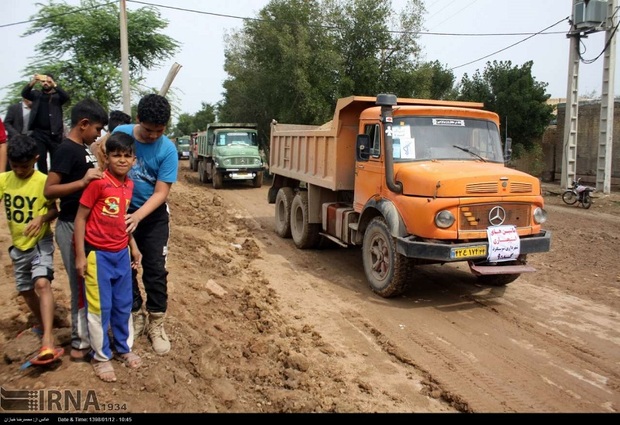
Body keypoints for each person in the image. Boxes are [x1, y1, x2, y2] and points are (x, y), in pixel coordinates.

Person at [74, 132, 142, 383]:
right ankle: (101, 357)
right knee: (100, 308)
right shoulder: (98, 183)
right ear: (107, 157)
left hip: (121, 255)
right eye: (116, 155)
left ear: (134, 159)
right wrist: (80, 256)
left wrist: (133, 247)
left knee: (123, 305)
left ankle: (124, 348)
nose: (122, 160)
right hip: (98, 255)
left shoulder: (129, 186)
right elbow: (80, 218)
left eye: (127, 156)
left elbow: (122, 220)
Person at [113, 93, 178, 355]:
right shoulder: (121, 133)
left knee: (155, 268)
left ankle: (156, 323)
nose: (153, 136)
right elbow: (106, 159)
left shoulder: (167, 150)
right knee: (124, 268)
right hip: (119, 214)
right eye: (149, 130)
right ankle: (135, 315)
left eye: (159, 131)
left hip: (151, 218)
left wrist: (138, 216)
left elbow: (161, 192)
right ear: (138, 119)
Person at [43, 98, 107, 362]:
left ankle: (93, 335)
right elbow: (50, 189)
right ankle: (80, 342)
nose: (99, 134)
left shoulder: (84, 147)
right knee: (79, 284)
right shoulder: (66, 150)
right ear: (83, 124)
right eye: (97, 129)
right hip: (71, 226)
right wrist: (82, 182)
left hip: (89, 225)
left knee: (91, 282)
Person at [0, 134, 63, 363]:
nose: (19, 171)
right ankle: (43, 322)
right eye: (15, 166)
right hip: (18, 246)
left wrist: (42, 218)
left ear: (35, 160)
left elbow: (55, 211)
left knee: (42, 283)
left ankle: (48, 338)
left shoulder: (42, 181)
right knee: (26, 290)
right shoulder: (5, 180)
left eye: (24, 167)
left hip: (40, 242)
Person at [22, 73, 70, 174]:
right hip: (39, 134)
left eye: (48, 82)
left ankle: (54, 183)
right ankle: (43, 182)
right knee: (41, 160)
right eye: (43, 81)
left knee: (55, 160)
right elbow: (25, 93)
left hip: (54, 134)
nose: (46, 83)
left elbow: (66, 97)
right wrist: (34, 80)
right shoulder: (36, 95)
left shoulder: (57, 97)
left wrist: (54, 84)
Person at [3, 98, 33, 172]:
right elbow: (7, 123)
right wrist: (16, 135)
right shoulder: (14, 108)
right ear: (24, 97)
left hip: (30, 140)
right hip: (15, 140)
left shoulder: (37, 109)